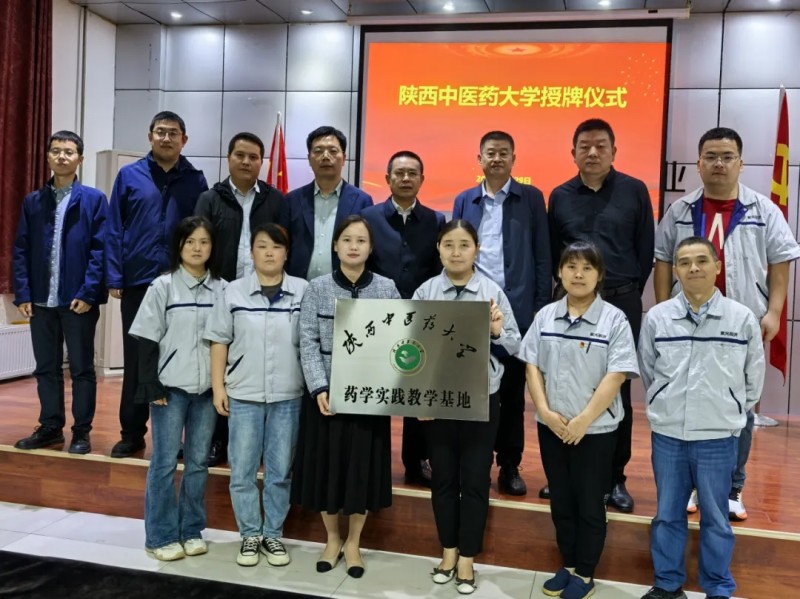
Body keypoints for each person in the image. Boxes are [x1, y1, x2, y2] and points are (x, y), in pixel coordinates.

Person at [653, 127, 800, 520]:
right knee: (685, 401)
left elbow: (781, 261)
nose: (719, 163)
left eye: (727, 156)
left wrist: (774, 312)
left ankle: (733, 487)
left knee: (740, 406)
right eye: (711, 156)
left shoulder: (763, 210)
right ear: (698, 163)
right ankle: (690, 486)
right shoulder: (680, 210)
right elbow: (662, 259)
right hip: (686, 323)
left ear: (740, 163)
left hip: (740, 324)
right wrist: (663, 309)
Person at [639, 236, 765, 599]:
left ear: (717, 267)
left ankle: (718, 587)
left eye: (701, 261)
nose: (693, 268)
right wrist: (665, 404)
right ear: (675, 271)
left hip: (717, 437)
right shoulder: (658, 318)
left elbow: (753, 379)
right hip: (669, 435)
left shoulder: (741, 318)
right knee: (667, 514)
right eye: (684, 262)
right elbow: (649, 370)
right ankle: (667, 585)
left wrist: (728, 410)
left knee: (716, 516)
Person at [519, 241, 638, 599]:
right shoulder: (545, 316)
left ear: (600, 275)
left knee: (589, 503)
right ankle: (569, 565)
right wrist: (544, 412)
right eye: (571, 266)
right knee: (561, 501)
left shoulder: (614, 319)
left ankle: (585, 573)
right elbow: (531, 366)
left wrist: (584, 420)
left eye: (587, 268)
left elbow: (617, 375)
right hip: (552, 427)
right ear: (559, 272)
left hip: (595, 430)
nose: (578, 274)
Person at [547, 118, 654, 512]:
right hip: (571, 304)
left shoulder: (635, 191)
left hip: (620, 302)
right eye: (585, 146)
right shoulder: (559, 195)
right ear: (573, 152)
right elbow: (553, 252)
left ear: (613, 151)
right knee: (564, 386)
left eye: (601, 146)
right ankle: (564, 474)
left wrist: (624, 293)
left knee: (616, 390)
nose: (592, 153)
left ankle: (615, 478)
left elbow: (645, 250)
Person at [413, 219, 520, 595]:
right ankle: (447, 551)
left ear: (477, 249)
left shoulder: (491, 291)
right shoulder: (426, 291)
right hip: (438, 398)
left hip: (481, 397)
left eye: (464, 245)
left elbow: (516, 344)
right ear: (438, 249)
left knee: (475, 479)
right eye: (448, 245)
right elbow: (411, 347)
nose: (456, 252)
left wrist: (496, 330)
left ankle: (467, 558)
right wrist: (420, 396)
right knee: (443, 477)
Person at [293, 215, 400, 578]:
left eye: (361, 240)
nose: (354, 246)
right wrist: (319, 387)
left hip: (369, 399)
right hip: (327, 398)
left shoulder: (386, 288)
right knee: (328, 471)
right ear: (335, 246)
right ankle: (332, 538)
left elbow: (399, 340)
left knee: (360, 473)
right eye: (347, 240)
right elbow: (307, 341)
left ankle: (354, 542)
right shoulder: (317, 288)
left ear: (371, 248)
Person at [452, 131, 551, 496]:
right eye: (490, 153)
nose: (496, 158)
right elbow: (455, 252)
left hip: (517, 312)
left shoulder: (531, 198)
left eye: (503, 153)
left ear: (514, 159)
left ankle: (509, 464)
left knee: (511, 395)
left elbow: (542, 255)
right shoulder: (465, 200)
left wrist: (539, 308)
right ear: (479, 159)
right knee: (472, 389)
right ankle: (473, 463)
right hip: (471, 310)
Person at [106, 110, 209, 458]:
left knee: (179, 359)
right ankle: (132, 433)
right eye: (160, 132)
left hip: (182, 283)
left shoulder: (195, 179)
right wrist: (115, 276)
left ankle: (176, 438)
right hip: (138, 281)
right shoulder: (129, 176)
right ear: (150, 136)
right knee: (137, 359)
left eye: (173, 133)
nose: (166, 138)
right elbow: (114, 227)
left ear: (184, 139)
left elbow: (202, 232)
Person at [204, 223, 307, 568]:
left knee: (280, 471)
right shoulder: (233, 292)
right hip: (244, 394)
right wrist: (219, 388)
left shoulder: (302, 291)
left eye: (276, 247)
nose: (269, 253)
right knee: (243, 470)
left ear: (286, 253)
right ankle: (249, 533)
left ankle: (273, 534)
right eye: (262, 246)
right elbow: (219, 341)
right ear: (251, 252)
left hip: (288, 396)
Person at [128, 216, 225, 561]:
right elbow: (146, 339)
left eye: (204, 242)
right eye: (190, 242)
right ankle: (160, 536)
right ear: (179, 246)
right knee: (165, 463)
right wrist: (150, 384)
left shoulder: (223, 289)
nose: (197, 248)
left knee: (197, 462)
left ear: (212, 247)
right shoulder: (163, 286)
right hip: (169, 390)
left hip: (207, 391)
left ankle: (191, 530)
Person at [12, 130, 107, 455]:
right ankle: (50, 427)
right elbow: (21, 249)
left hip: (78, 300)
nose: (62, 156)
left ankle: (81, 432)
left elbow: (100, 250)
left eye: (68, 151)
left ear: (80, 159)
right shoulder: (33, 201)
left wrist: (89, 292)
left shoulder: (94, 200)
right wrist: (24, 293)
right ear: (48, 156)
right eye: (56, 151)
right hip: (41, 299)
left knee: (81, 369)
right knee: (46, 368)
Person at [195, 131, 286, 467]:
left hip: (264, 297)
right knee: (218, 369)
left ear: (262, 162)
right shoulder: (210, 198)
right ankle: (216, 439)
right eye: (240, 155)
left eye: (253, 157)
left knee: (257, 368)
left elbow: (283, 246)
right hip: (220, 294)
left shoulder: (276, 201)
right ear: (229, 158)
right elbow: (198, 241)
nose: (246, 162)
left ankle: (258, 444)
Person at [361, 150, 444, 487]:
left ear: (422, 179)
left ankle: (415, 460)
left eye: (412, 173)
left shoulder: (436, 220)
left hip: (420, 317)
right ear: (387, 179)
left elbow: (438, 270)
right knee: (378, 388)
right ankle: (373, 460)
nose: (406, 178)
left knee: (416, 388)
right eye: (399, 173)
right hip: (378, 317)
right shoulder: (368, 218)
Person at [284, 126, 373, 279]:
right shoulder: (292, 200)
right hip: (298, 286)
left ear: (343, 158)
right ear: (309, 158)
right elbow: (283, 245)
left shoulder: (362, 200)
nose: (325, 156)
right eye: (318, 151)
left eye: (333, 151)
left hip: (344, 286)